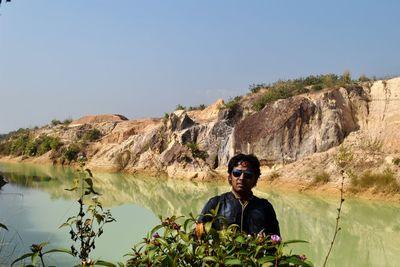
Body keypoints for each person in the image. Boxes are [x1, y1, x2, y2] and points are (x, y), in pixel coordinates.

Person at [199, 153, 280, 236]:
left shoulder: (265, 207)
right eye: (237, 173)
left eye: (248, 175)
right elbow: (198, 236)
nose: (241, 178)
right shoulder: (216, 203)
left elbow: (275, 240)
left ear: (255, 179)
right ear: (230, 176)